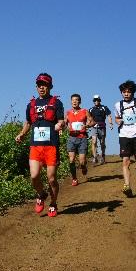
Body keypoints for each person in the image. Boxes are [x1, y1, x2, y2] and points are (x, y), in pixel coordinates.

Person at [15, 73, 65, 217]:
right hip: (35, 146)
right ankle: (41, 194)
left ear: (50, 87)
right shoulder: (31, 104)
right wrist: (22, 134)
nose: (41, 87)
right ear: (36, 87)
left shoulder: (56, 103)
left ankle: (53, 203)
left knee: (52, 178)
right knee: (34, 175)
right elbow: (28, 123)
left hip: (51, 146)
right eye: (39, 85)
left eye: (44, 85)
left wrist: (60, 125)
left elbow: (61, 120)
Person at [64, 94, 95, 186]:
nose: (74, 101)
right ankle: (74, 178)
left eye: (76, 100)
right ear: (71, 101)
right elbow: (64, 123)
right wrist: (63, 127)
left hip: (82, 138)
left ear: (79, 102)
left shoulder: (85, 111)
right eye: (73, 100)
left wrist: (87, 125)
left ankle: (83, 167)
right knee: (71, 160)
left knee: (82, 161)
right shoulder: (68, 112)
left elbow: (93, 122)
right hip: (71, 138)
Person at [88, 95, 113, 164]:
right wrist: (87, 125)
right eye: (95, 100)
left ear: (100, 100)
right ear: (93, 101)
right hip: (94, 127)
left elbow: (109, 115)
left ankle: (103, 156)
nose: (96, 101)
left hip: (102, 127)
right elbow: (89, 118)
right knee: (94, 141)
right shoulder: (91, 109)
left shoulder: (104, 108)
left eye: (97, 100)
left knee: (102, 142)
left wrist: (110, 123)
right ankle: (95, 157)